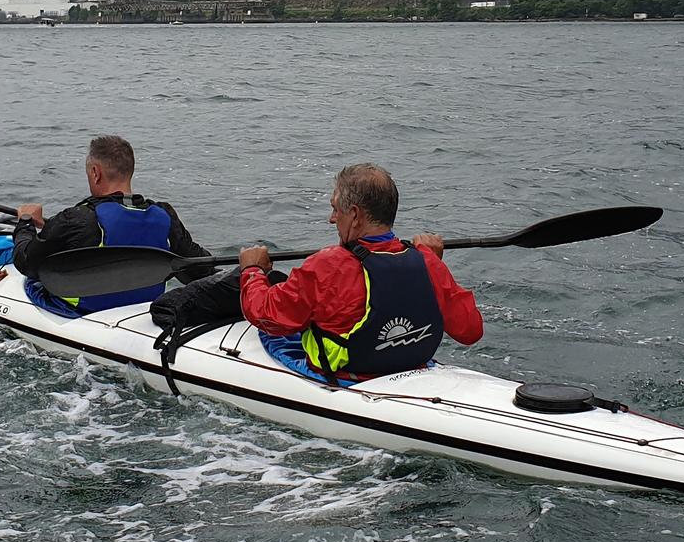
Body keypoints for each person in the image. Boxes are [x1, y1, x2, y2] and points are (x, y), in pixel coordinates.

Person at [157, 163, 482, 381]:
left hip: (347, 374)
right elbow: (470, 331)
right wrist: (437, 262)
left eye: (334, 208)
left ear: (354, 216)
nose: (331, 218)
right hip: (411, 365)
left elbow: (264, 313)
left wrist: (253, 270)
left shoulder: (328, 265)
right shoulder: (426, 261)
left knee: (276, 327)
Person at [10, 134, 212, 315]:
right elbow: (200, 269)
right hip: (144, 309)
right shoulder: (164, 215)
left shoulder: (77, 218)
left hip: (82, 313)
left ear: (96, 173)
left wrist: (25, 222)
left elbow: (26, 262)